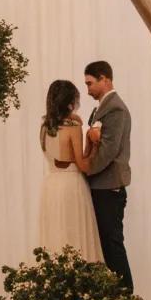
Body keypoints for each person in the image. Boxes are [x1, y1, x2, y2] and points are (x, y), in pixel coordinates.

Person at [38, 80, 104, 262]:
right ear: (70, 103)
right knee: (75, 236)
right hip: (71, 186)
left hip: (51, 185)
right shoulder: (73, 128)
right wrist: (93, 144)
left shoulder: (44, 127)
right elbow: (83, 165)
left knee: (55, 237)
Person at [83, 61, 134, 293]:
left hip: (109, 186)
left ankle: (124, 295)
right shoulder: (102, 107)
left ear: (105, 79)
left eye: (90, 83)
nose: (88, 90)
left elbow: (109, 150)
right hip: (100, 186)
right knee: (104, 243)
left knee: (112, 243)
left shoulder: (116, 108)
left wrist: (85, 169)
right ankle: (113, 295)